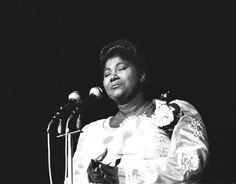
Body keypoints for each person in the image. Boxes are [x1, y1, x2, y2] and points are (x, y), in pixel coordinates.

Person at [66, 40, 209, 184]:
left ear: (142, 75)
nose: (113, 76)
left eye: (121, 68)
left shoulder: (175, 111)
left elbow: (189, 165)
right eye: (107, 74)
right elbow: (72, 180)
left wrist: (123, 176)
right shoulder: (91, 131)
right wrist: (91, 178)